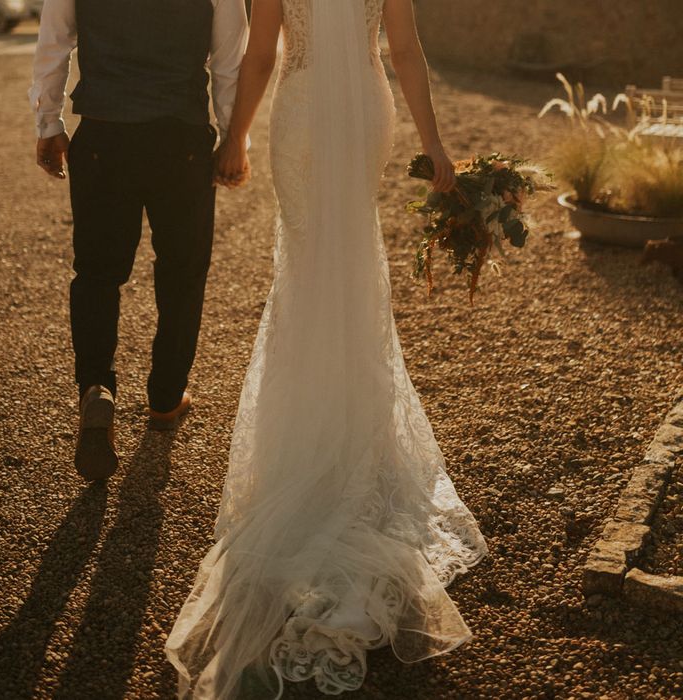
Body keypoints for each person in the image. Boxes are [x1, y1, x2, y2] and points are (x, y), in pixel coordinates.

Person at [166, 0, 489, 697]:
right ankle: (353, 435)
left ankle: (307, 436)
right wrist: (435, 143)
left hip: (306, 113)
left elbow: (261, 53)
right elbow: (405, 50)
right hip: (365, 115)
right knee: (347, 268)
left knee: (308, 268)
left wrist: (237, 136)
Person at [29, 0, 249, 481]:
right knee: (182, 272)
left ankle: (96, 388)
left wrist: (49, 122)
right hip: (180, 139)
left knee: (96, 274)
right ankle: (166, 398)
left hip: (104, 137)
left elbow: (54, 40)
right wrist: (232, 138)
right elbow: (230, 59)